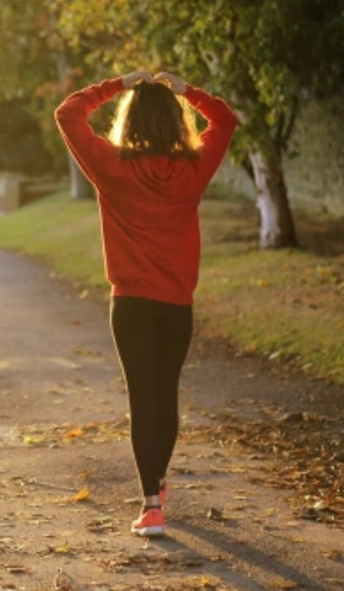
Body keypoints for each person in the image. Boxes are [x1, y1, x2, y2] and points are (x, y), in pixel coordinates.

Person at [55, 69, 237, 537]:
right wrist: (186, 91)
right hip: (176, 304)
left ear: (129, 120)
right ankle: (156, 484)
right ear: (176, 122)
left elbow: (68, 113)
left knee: (142, 398)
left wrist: (117, 84)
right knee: (165, 394)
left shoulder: (111, 166)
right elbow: (225, 119)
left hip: (131, 304)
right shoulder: (194, 168)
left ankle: (151, 504)